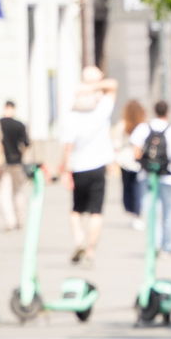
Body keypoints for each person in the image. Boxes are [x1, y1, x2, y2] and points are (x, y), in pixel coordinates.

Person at [53, 68, 119, 262]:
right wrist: (96, 85)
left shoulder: (72, 114)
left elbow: (68, 145)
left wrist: (64, 170)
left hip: (78, 166)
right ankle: (91, 249)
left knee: (76, 210)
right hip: (98, 165)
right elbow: (113, 85)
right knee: (96, 211)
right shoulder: (102, 109)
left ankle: (79, 239)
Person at [126, 100, 171, 255]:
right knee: (169, 212)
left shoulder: (143, 128)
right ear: (167, 112)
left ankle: (153, 244)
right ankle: (167, 246)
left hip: (147, 176)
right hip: (169, 177)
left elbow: (136, 152)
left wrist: (147, 162)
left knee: (152, 212)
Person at [0, 101, 33, 230]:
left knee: (4, 193)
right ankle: (20, 219)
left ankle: (10, 221)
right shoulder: (20, 125)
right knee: (19, 192)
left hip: (2, 164)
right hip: (17, 163)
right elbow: (26, 143)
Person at [117, 99, 149, 228]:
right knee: (138, 188)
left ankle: (131, 210)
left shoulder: (122, 125)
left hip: (124, 160)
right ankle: (138, 213)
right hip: (138, 161)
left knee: (127, 187)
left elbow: (117, 143)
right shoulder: (143, 125)